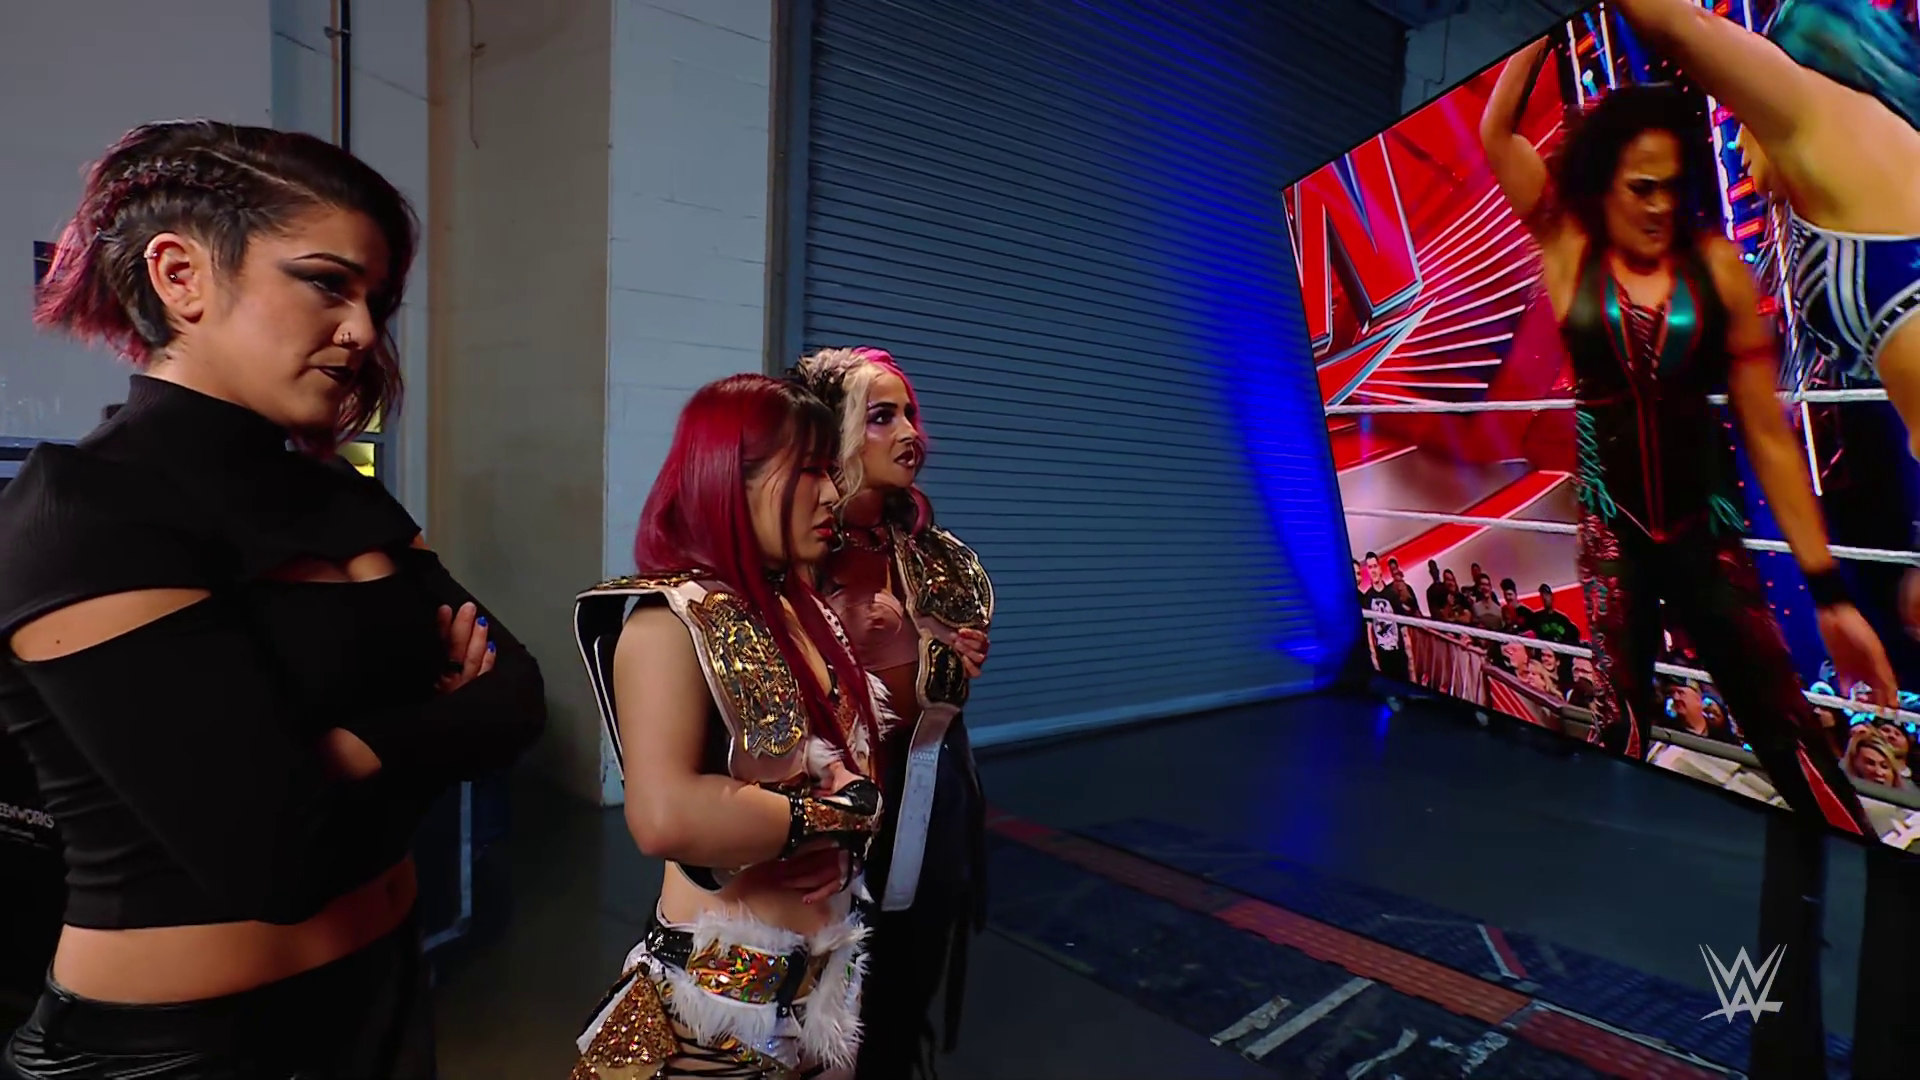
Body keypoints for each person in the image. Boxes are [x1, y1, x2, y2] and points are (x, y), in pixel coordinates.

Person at [0, 120, 546, 1078]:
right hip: (177, 1052)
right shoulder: (82, 511)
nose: (363, 332)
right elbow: (277, 858)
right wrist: (436, 720)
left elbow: (520, 697)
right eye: (328, 283)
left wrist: (343, 752)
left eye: (377, 300)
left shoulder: (342, 494)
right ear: (181, 275)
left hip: (386, 991)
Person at [1479, 49, 1893, 836]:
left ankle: (1872, 884)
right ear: (1604, 181)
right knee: (1622, 730)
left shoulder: (1716, 268)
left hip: (1708, 537)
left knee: (1789, 734)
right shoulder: (1568, 246)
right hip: (1614, 537)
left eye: (1673, 186)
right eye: (1643, 186)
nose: (1661, 205)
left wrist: (1830, 593)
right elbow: (1497, 132)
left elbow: (1769, 434)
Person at [571, 374, 891, 1079]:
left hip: (826, 994)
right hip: (712, 1016)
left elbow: (851, 763)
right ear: (727, 478)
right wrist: (832, 819)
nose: (833, 495)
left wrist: (842, 831)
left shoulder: (808, 611)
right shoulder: (667, 624)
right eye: (809, 471)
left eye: (831, 472)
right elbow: (664, 816)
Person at [786, 347, 993, 1080]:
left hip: (931, 795)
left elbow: (939, 686)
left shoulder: (933, 554)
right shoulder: (791, 551)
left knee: (907, 985)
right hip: (831, 806)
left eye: (910, 413)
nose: (910, 432)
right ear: (834, 430)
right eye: (882, 417)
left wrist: (950, 663)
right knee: (820, 1001)